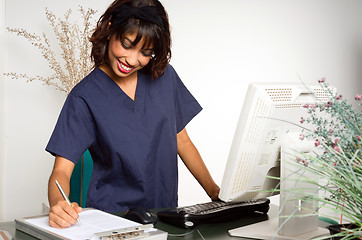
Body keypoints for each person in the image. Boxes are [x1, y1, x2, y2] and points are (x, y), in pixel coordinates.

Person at [46, 0, 220, 228]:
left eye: (146, 53)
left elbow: (182, 140)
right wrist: (59, 205)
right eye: (127, 45)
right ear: (110, 29)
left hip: (165, 215)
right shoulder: (84, 97)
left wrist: (216, 194)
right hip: (113, 220)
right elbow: (61, 170)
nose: (132, 60)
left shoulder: (165, 78)